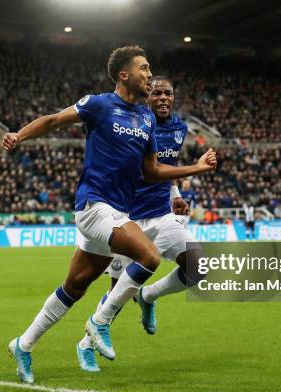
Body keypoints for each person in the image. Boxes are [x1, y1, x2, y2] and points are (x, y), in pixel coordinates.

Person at [2, 45, 217, 383]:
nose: (149, 74)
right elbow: (54, 120)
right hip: (93, 204)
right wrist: (19, 135)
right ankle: (100, 322)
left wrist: (194, 169)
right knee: (148, 256)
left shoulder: (146, 118)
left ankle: (23, 345)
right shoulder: (99, 104)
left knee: (75, 286)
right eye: (144, 69)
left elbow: (151, 171)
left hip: (115, 211)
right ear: (124, 75)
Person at [75, 75, 206, 372]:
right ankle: (85, 344)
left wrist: (176, 193)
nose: (162, 98)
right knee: (116, 295)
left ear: (173, 97)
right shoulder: (135, 124)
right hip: (126, 219)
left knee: (198, 266)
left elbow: (165, 167)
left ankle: (148, 296)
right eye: (157, 92)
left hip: (161, 216)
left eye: (168, 93)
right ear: (148, 97)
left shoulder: (178, 128)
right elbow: (143, 170)